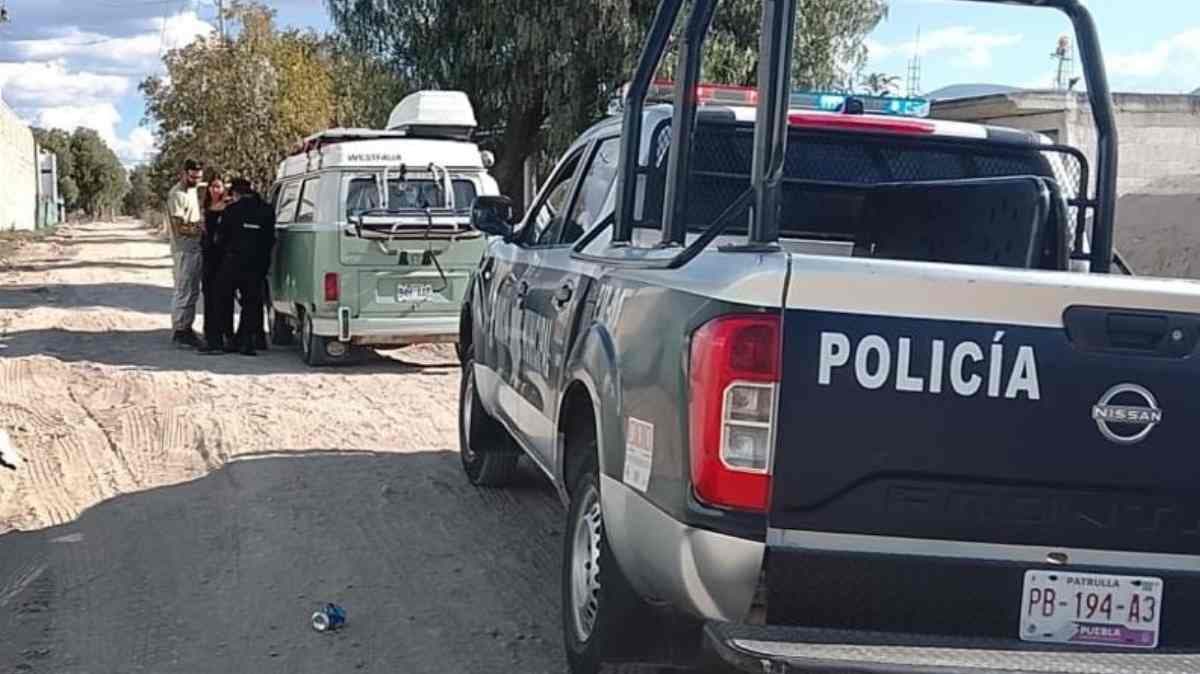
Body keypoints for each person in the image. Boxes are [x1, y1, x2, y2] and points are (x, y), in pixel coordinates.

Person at [218, 178, 276, 356]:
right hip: (257, 264)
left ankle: (228, 338)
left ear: (236, 193)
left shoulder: (231, 210)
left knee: (225, 299)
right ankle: (247, 341)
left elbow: (221, 238)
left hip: (233, 262)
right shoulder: (267, 210)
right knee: (251, 302)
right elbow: (269, 240)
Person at [166, 159, 205, 348]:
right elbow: (178, 226)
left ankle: (186, 327)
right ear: (183, 173)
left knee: (192, 291)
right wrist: (201, 229)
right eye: (192, 177)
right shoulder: (177, 195)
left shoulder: (192, 191)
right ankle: (180, 330)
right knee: (185, 290)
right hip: (184, 249)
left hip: (194, 248)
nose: (196, 180)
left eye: (199, 177)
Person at [198, 175, 235, 355]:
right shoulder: (206, 208)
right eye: (212, 186)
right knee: (209, 297)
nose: (215, 190)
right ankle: (210, 337)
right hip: (208, 257)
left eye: (218, 187)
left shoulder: (228, 207)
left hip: (223, 258)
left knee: (223, 298)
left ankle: (224, 337)